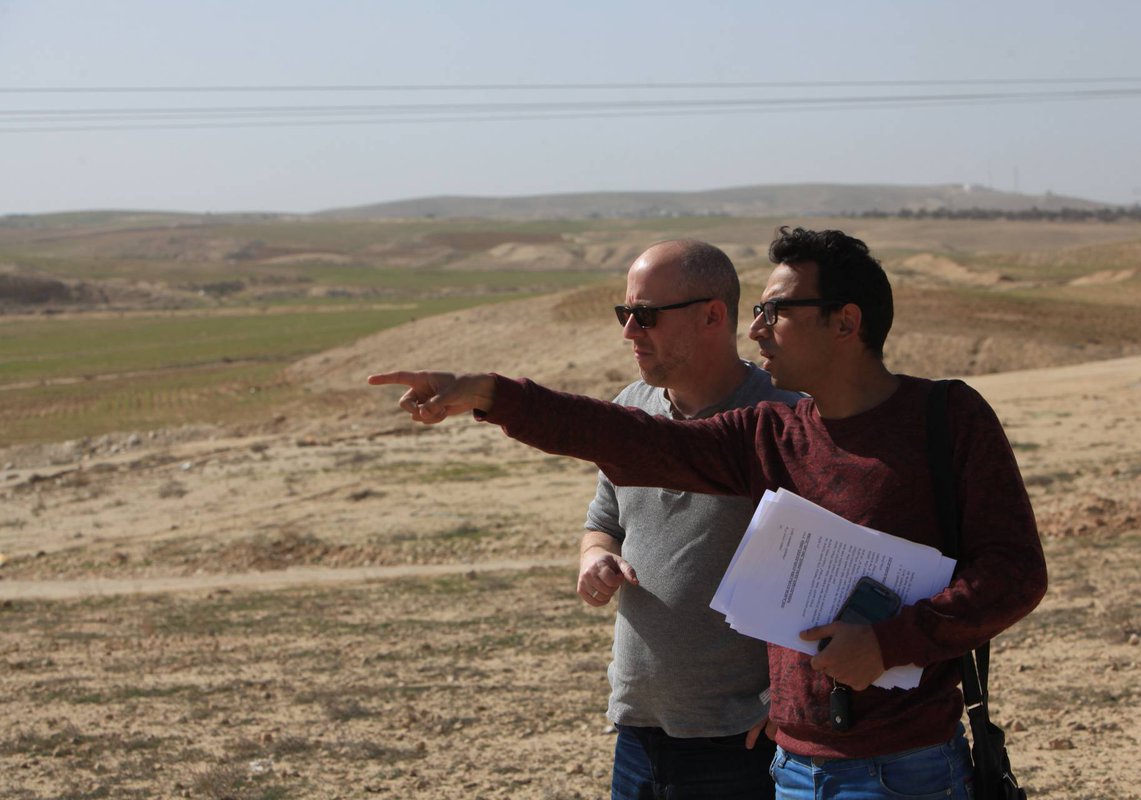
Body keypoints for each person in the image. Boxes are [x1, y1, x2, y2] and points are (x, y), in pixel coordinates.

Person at [368, 226, 1048, 800]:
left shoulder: (947, 418)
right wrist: (491, 394)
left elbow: (1015, 573)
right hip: (790, 771)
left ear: (845, 323)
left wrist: (889, 643)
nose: (755, 328)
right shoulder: (771, 434)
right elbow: (632, 440)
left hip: (906, 769)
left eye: (776, 311)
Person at [578, 239, 798, 800]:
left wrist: (789, 699)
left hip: (741, 739)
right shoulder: (632, 407)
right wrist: (596, 557)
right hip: (638, 725)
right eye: (625, 313)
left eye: (646, 315)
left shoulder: (788, 420)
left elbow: (832, 575)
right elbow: (605, 520)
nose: (630, 331)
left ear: (712, 316)